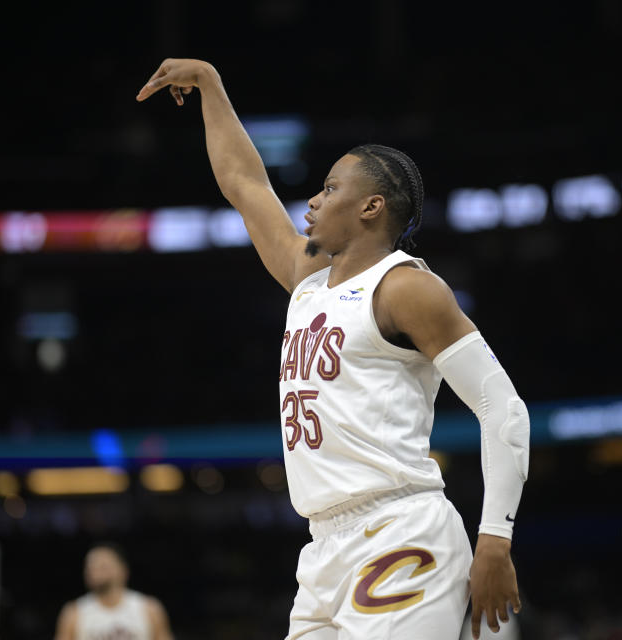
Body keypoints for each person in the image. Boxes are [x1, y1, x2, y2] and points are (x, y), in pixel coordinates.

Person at [136, 59, 529, 640]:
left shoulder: (407, 288)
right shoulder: (309, 279)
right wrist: (212, 85)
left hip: (401, 530)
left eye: (330, 187)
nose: (313, 201)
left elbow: (503, 409)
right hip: (323, 549)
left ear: (372, 207)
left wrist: (495, 538)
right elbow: (245, 184)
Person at [54, 543, 173, 640]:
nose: (94, 571)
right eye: (90, 567)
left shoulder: (149, 609)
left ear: (123, 570)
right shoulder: (74, 613)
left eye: (102, 566)